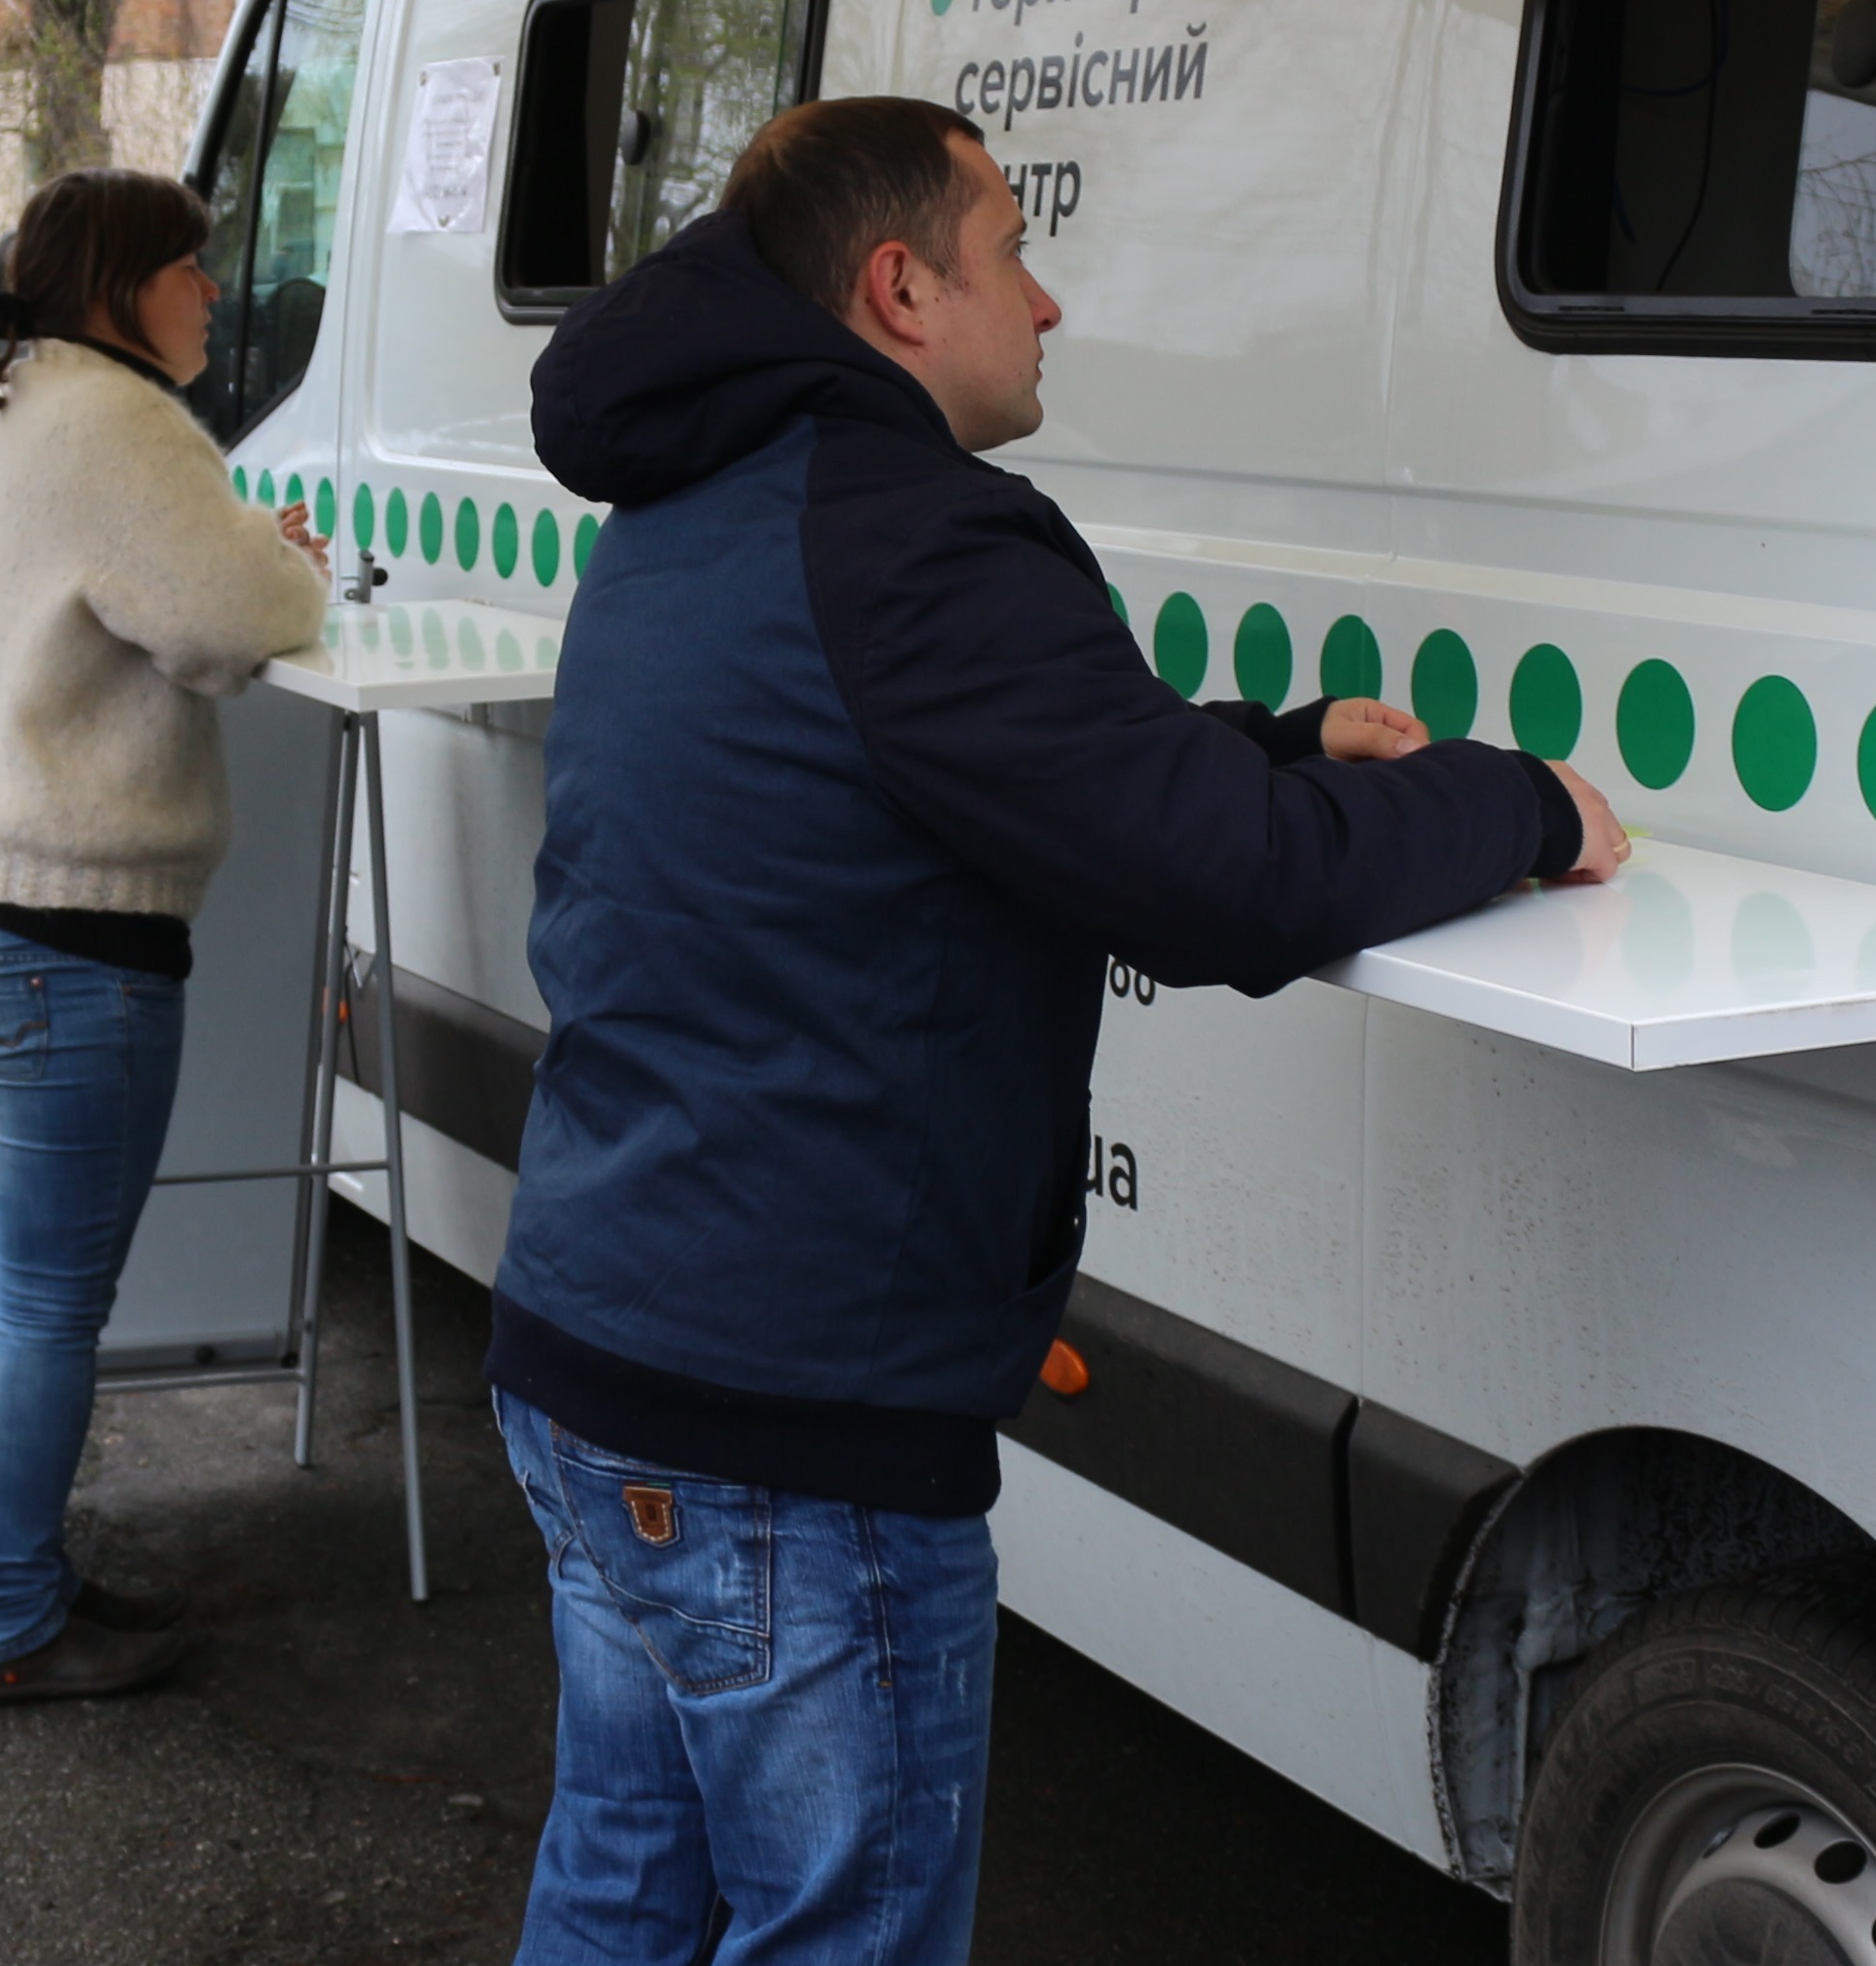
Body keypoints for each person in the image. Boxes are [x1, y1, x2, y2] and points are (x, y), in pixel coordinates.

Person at [495, 97, 1627, 1959]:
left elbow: (957, 770)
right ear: (899, 289)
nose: (1050, 299)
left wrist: (1263, 741)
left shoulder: (709, 496)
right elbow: (1218, 887)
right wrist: (1517, 807)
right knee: (837, 1929)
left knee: (623, 1892)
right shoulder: (915, 534)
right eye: (1012, 247)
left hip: (605, 1342)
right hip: (794, 1416)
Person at [0, 166, 331, 1705]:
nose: (214, 293)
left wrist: (237, 565)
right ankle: (6, 1624)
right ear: (118, 283)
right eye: (192, 269)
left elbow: (168, 604)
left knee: (9, 1287)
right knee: (46, 1304)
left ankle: (13, 1580)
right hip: (61, 933)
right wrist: (287, 570)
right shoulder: (121, 419)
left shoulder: (34, 403)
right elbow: (229, 623)